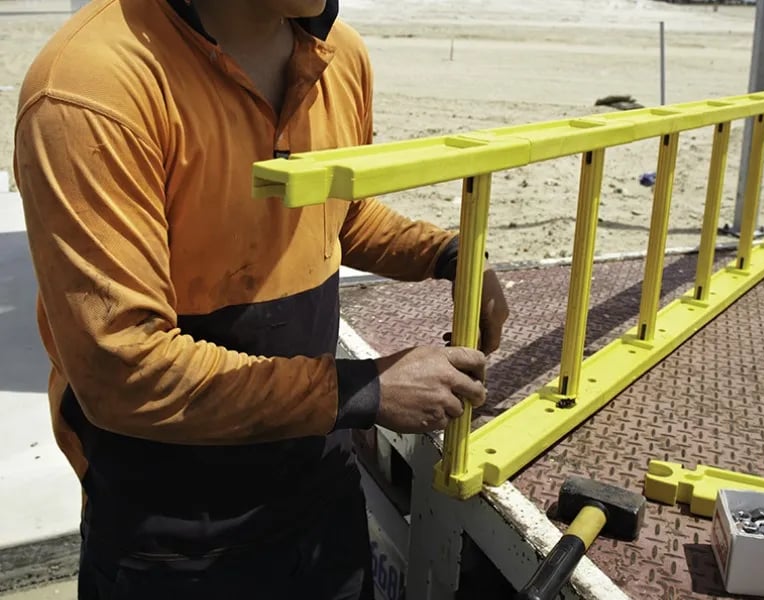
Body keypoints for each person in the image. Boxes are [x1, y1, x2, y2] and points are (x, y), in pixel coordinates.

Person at [13, 0, 509, 598]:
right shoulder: (92, 88)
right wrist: (365, 389)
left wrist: (444, 254)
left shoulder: (337, 55)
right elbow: (125, 370)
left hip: (320, 493)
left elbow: (335, 216)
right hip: (175, 535)